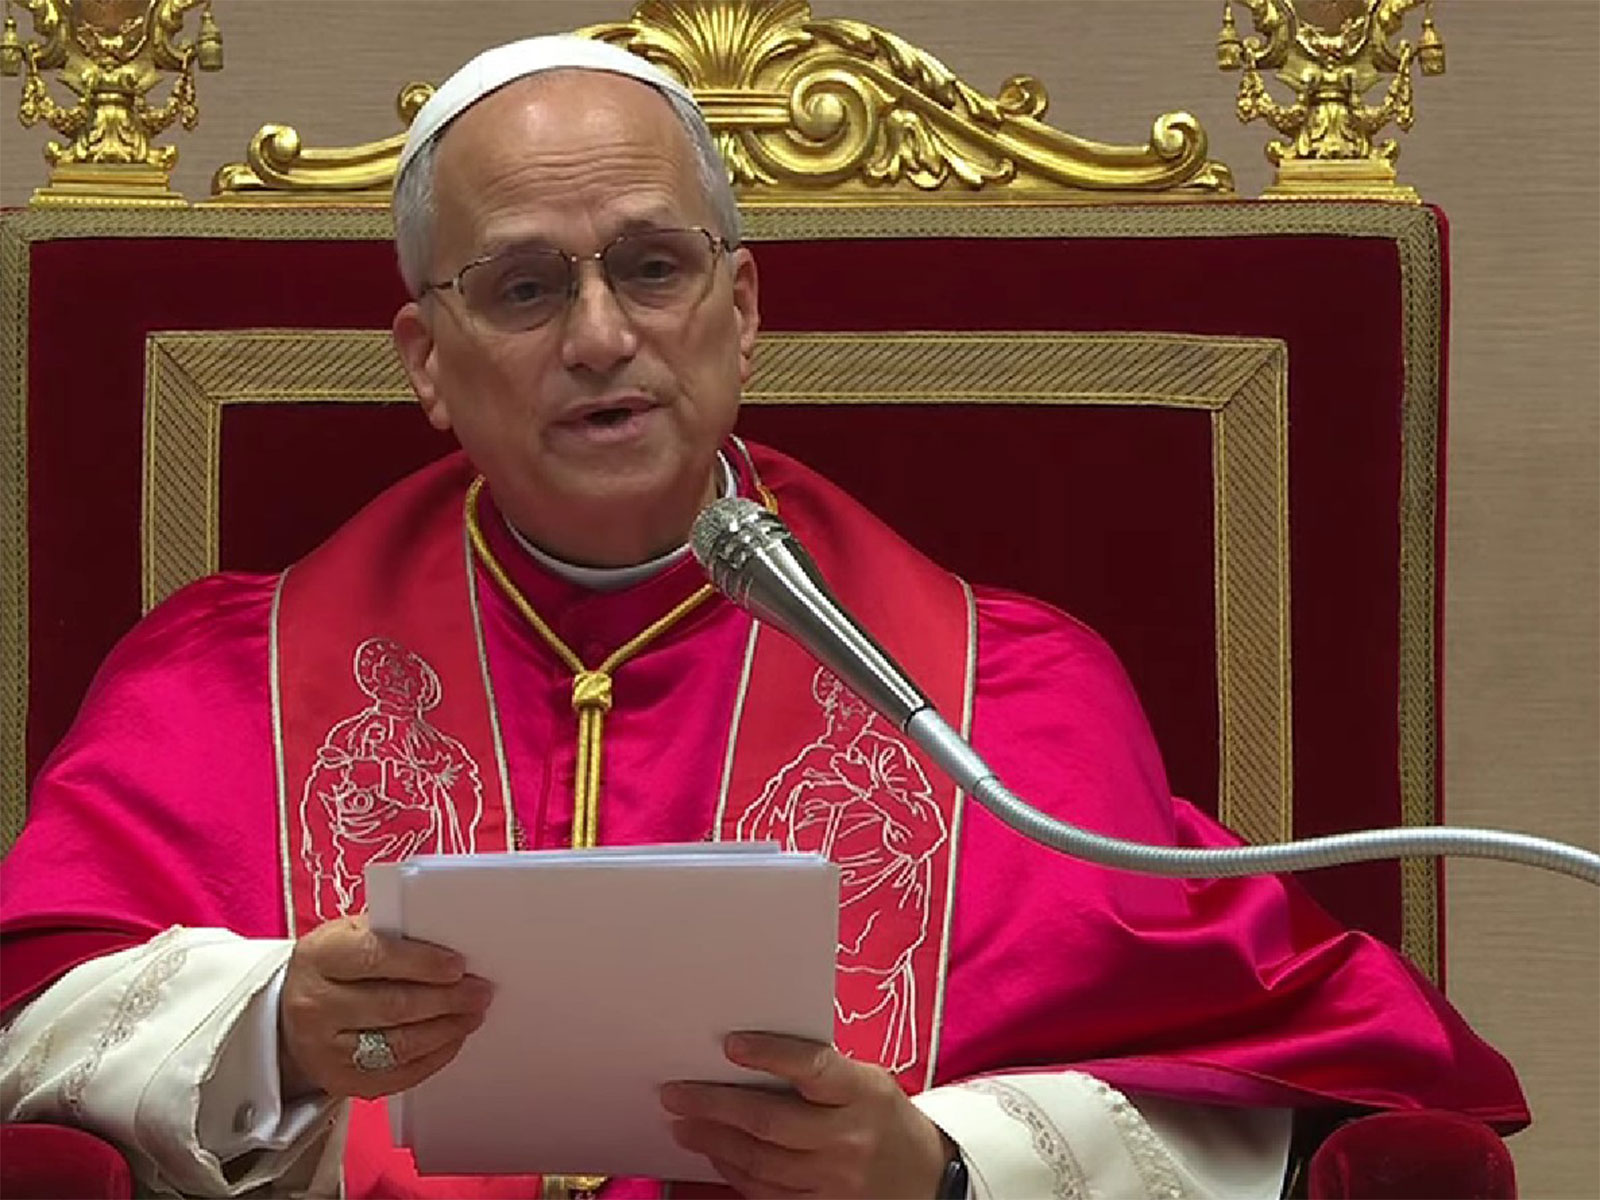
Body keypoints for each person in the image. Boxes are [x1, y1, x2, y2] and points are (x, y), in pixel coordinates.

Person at [0, 34, 1527, 1200]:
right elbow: (27, 1019)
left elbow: (1295, 1096)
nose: (604, 337)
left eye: (653, 269)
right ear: (426, 357)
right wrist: (270, 1025)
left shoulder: (1009, 699)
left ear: (738, 313)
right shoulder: (225, 676)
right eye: (526, 289)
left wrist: (935, 1166)